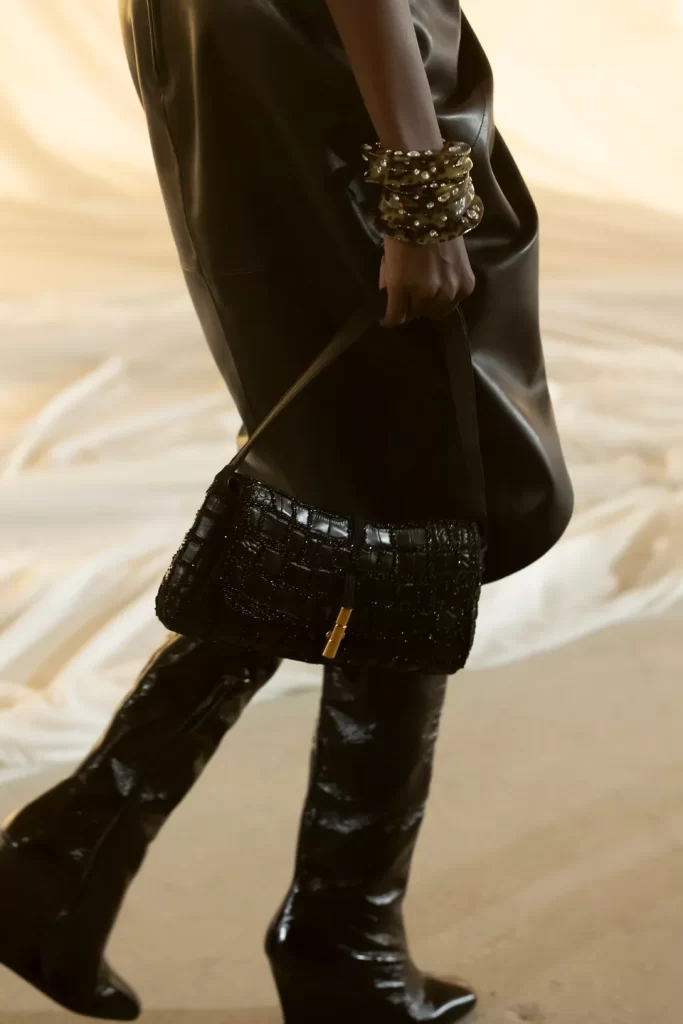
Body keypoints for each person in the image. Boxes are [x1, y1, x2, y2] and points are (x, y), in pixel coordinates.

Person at [0, 1, 573, 1021]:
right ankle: (338, 934)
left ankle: (63, 865)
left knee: (344, 493)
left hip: (254, 106)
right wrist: (419, 197)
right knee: (406, 507)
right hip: (338, 123)